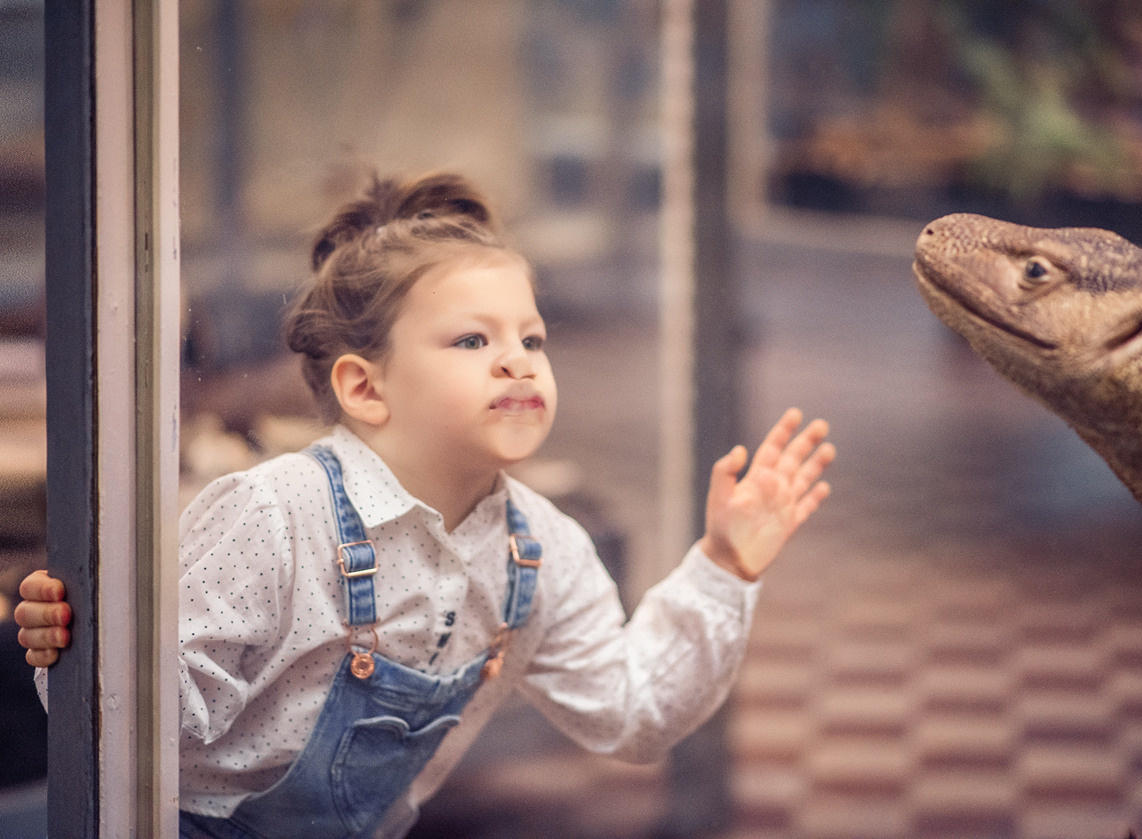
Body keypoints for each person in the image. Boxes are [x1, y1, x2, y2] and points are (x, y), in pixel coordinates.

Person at [16, 171, 835, 839]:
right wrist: (87, 646)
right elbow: (145, 726)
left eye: (532, 339)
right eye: (473, 341)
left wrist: (723, 567)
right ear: (366, 387)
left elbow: (632, 710)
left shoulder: (537, 546)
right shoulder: (273, 515)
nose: (517, 362)